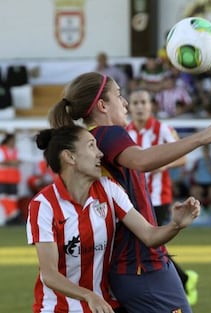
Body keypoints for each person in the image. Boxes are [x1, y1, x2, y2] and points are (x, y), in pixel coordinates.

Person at [48, 72, 211, 313]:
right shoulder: (108, 134)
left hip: (132, 263)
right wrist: (204, 136)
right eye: (119, 95)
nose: (126, 103)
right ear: (102, 105)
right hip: (141, 265)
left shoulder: (93, 141)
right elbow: (141, 160)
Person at [26, 125, 200, 313]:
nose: (100, 153)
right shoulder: (43, 205)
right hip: (58, 308)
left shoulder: (109, 189)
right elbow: (49, 274)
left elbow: (149, 235)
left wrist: (175, 225)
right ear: (70, 157)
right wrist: (88, 295)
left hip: (105, 305)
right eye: (91, 146)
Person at [125, 89, 199, 305]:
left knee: (150, 244)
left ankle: (182, 281)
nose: (139, 106)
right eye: (136, 102)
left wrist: (162, 164)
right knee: (147, 244)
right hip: (132, 198)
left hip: (157, 197)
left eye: (143, 102)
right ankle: (178, 281)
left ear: (151, 106)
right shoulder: (125, 131)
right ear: (130, 106)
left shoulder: (163, 129)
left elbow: (183, 158)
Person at [0, 133, 22, 225]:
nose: (13, 142)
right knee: (4, 198)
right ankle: (12, 215)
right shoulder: (2, 150)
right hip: (3, 179)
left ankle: (13, 216)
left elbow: (18, 161)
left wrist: (10, 163)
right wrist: (13, 163)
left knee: (13, 199)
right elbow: (3, 162)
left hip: (13, 179)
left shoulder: (15, 151)